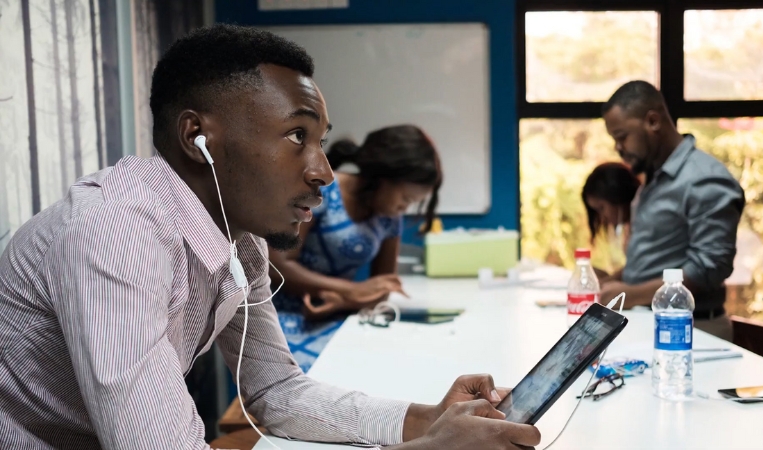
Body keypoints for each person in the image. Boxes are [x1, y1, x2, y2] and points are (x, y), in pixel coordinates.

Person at [0, 25, 541, 449]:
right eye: (296, 136)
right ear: (199, 138)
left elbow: (275, 391)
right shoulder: (114, 233)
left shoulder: (241, 239)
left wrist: (428, 421)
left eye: (320, 141)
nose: (324, 171)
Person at [269, 125, 442, 370]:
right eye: (405, 199)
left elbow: (382, 287)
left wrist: (343, 302)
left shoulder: (390, 218)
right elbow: (276, 265)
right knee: (314, 382)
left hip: (337, 316)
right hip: (285, 317)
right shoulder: (323, 194)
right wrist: (349, 291)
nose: (405, 208)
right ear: (381, 179)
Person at [599, 80, 745, 341]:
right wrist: (615, 280)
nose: (618, 148)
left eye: (622, 137)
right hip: (652, 324)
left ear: (653, 121)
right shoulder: (655, 178)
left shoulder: (703, 179)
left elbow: (708, 268)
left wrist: (629, 294)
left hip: (693, 331)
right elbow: (658, 255)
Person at [581, 162, 641, 251]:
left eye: (601, 208)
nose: (601, 217)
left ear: (616, 196)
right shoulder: (631, 227)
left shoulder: (645, 226)